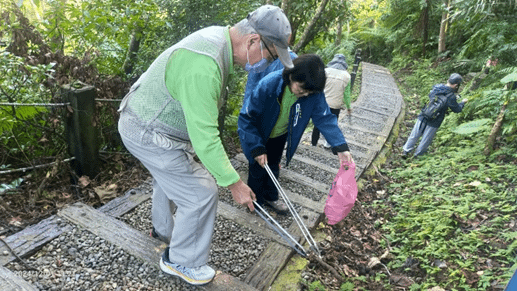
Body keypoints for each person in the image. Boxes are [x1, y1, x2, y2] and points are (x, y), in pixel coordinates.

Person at [117, 5, 293, 285]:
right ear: (253, 42)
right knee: (201, 192)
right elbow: (205, 138)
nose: (268, 64)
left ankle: (162, 232)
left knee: (171, 178)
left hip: (141, 120)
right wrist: (235, 183)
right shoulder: (204, 67)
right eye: (271, 56)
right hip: (148, 131)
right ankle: (182, 262)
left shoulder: (217, 38)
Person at [238, 54, 354, 213]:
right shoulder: (270, 83)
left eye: (308, 91)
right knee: (257, 168)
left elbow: (325, 117)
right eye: (301, 89)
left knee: (273, 164)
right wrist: (256, 146)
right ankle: (256, 202)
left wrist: (340, 146)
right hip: (259, 133)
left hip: (280, 134)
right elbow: (247, 117)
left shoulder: (313, 92)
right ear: (291, 75)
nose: (305, 94)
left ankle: (271, 197)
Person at [402, 73, 468, 158]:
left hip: (424, 114)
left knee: (415, 134)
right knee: (426, 139)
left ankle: (405, 151)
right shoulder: (451, 96)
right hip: (436, 119)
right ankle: (417, 155)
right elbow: (457, 109)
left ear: (448, 80)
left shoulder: (436, 88)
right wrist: (463, 103)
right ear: (455, 85)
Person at [311, 54, 352, 148]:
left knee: (317, 124)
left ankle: (313, 143)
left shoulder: (325, 71)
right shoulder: (347, 76)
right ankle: (327, 143)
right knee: (332, 125)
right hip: (336, 104)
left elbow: (318, 87)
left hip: (322, 102)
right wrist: (349, 107)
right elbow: (346, 94)